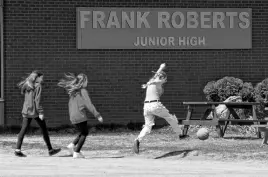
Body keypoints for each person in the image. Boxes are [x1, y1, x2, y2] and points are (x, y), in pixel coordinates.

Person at [133, 63, 182, 154]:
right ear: (162, 78)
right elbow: (156, 79)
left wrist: (159, 70)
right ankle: (180, 134)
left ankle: (138, 140)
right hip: (155, 105)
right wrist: (159, 70)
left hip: (146, 106)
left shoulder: (157, 84)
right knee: (171, 118)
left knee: (148, 126)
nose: (165, 80)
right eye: (164, 78)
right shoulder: (157, 82)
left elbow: (155, 79)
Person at [15, 71, 61, 157]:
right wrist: (40, 112)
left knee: (23, 130)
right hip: (35, 112)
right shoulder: (38, 86)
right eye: (41, 77)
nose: (42, 79)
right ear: (37, 78)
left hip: (26, 111)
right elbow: (37, 100)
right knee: (44, 129)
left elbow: (26, 99)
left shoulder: (26, 85)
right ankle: (50, 150)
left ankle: (17, 150)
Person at [58, 73, 103, 158]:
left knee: (82, 132)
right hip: (80, 116)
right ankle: (77, 151)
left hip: (73, 116)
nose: (88, 82)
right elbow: (89, 104)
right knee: (85, 133)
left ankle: (72, 145)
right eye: (87, 80)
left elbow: (70, 105)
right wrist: (97, 115)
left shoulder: (73, 92)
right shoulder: (83, 91)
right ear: (83, 82)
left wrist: (72, 115)